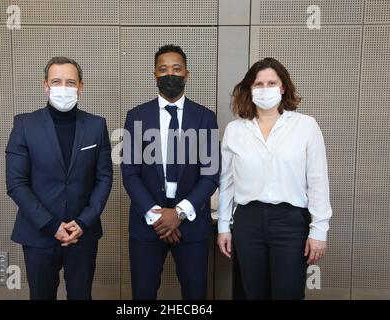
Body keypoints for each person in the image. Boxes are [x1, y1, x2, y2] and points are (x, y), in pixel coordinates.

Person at [217, 57, 332, 300]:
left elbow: (318, 181)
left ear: (283, 87)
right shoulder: (236, 130)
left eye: (272, 83)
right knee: (253, 292)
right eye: (258, 84)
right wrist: (224, 227)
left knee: (287, 293)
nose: (265, 89)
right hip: (248, 222)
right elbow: (226, 183)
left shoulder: (306, 126)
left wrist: (319, 230)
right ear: (249, 89)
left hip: (290, 222)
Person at [5, 56, 113, 300]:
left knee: (81, 295)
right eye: (56, 81)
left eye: (70, 82)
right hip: (38, 233)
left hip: (82, 233)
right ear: (45, 85)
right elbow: (16, 183)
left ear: (81, 86)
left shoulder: (96, 125)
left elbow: (104, 178)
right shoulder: (24, 125)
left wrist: (84, 221)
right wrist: (52, 225)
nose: (63, 88)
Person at [121, 45, 219, 300]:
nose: (170, 75)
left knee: (196, 295)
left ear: (187, 74)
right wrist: (159, 217)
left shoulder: (205, 118)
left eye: (176, 69)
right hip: (147, 225)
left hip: (192, 224)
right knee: (142, 295)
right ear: (155, 74)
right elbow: (130, 173)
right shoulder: (136, 116)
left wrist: (179, 213)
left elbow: (211, 175)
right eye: (163, 69)